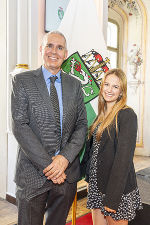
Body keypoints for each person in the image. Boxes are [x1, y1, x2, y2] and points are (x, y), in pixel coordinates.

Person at [11, 31, 87, 225]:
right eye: (49, 46)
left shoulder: (76, 85)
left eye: (59, 47)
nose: (54, 51)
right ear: (41, 49)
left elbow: (81, 126)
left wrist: (64, 159)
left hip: (66, 176)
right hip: (32, 175)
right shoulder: (22, 81)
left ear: (65, 53)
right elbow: (20, 125)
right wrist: (50, 166)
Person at [81, 68, 143, 225]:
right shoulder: (100, 116)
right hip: (96, 185)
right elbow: (94, 153)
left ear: (122, 91)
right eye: (106, 85)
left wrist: (112, 198)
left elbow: (123, 160)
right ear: (101, 87)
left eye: (115, 86)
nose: (109, 90)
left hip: (115, 189)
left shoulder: (127, 115)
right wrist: (89, 180)